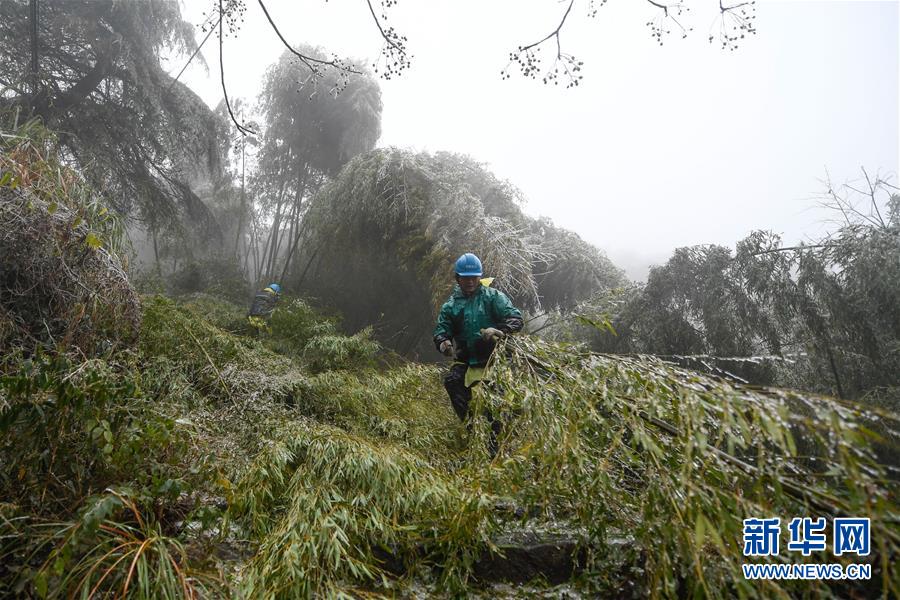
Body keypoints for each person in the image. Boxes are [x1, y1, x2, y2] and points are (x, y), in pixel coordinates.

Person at [433, 253, 523, 455]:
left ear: (479, 277)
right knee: (452, 382)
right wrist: (444, 343)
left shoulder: (493, 297)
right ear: (458, 278)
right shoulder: (451, 306)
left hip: (494, 361)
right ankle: (473, 429)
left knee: (495, 403)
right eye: (466, 278)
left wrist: (499, 330)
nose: (471, 281)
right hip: (466, 361)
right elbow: (441, 330)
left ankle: (496, 446)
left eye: (474, 277)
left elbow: (516, 319)